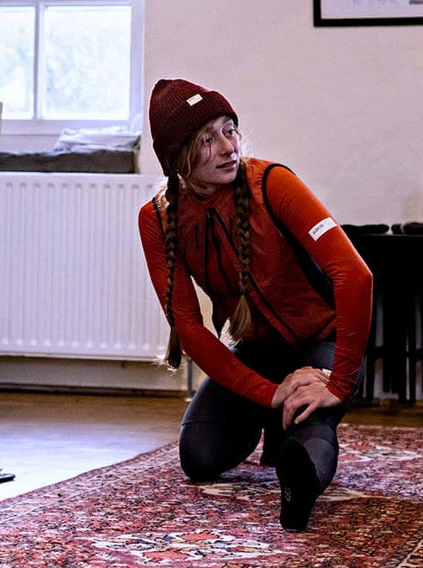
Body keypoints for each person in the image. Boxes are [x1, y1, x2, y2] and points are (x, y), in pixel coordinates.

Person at [137, 78, 373, 531]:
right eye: (208, 139)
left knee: (311, 425)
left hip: (320, 343)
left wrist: (339, 381)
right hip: (257, 351)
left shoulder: (272, 183)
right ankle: (273, 417)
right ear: (178, 157)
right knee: (198, 456)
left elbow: (355, 275)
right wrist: (269, 392)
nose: (229, 147)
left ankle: (298, 485)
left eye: (230, 130)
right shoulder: (158, 218)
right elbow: (188, 327)